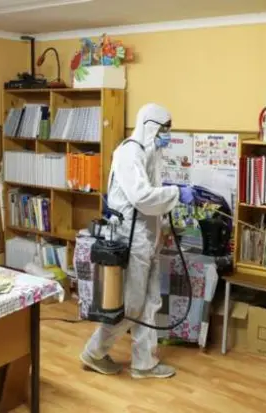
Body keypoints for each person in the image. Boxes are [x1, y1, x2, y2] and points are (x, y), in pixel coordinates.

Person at [80, 103, 194, 379]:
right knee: (131, 306)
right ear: (150, 126)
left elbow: (153, 198)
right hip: (130, 240)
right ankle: (93, 352)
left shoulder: (150, 153)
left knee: (150, 303)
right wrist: (177, 193)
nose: (166, 135)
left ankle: (145, 363)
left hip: (147, 239)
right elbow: (142, 197)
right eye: (163, 129)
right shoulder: (129, 152)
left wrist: (167, 223)